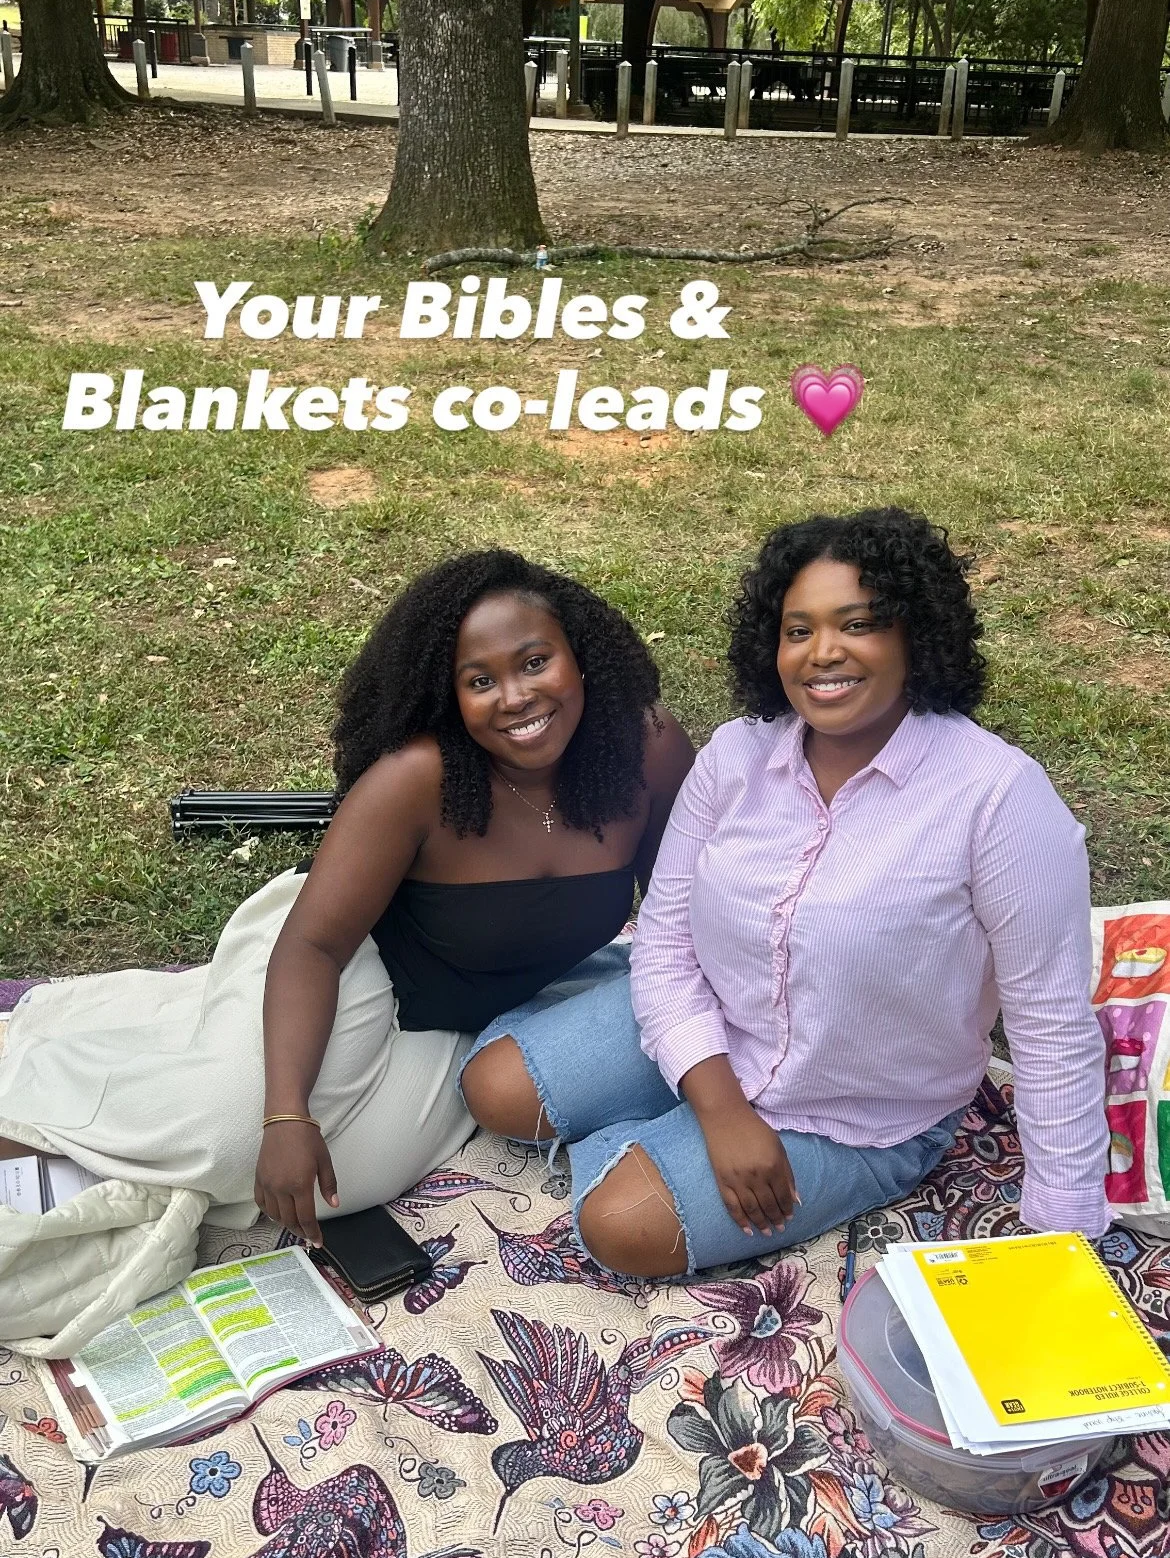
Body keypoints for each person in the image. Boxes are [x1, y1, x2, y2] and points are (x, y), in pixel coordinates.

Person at [0, 551, 693, 1346]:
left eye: (536, 661)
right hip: (351, 959)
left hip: (462, 1017)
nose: (516, 698)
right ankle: (33, 1110)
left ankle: (171, 1068)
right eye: (480, 680)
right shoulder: (417, 779)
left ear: (581, 655)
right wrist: (286, 1112)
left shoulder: (646, 751)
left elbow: (680, 903)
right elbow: (314, 944)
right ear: (449, 694)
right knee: (236, 1136)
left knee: (337, 1182)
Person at [460, 508, 1110, 1280]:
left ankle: (654, 1138)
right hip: (720, 1027)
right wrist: (721, 1111)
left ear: (916, 635)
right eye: (797, 630)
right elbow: (665, 942)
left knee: (621, 1225)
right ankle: (667, 1121)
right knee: (494, 1089)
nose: (821, 653)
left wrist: (1062, 1247)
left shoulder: (1000, 801)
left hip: (859, 1113)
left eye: (858, 624)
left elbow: (1052, 1028)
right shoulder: (738, 756)